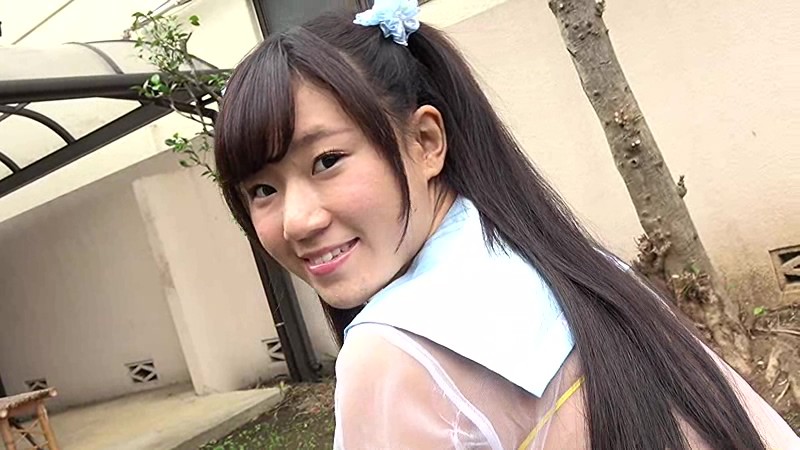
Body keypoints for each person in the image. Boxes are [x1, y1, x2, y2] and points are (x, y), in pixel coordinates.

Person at [214, 1, 799, 448]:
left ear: (425, 142)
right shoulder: (579, 270)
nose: (298, 220)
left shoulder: (393, 354)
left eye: (327, 161)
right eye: (262, 190)